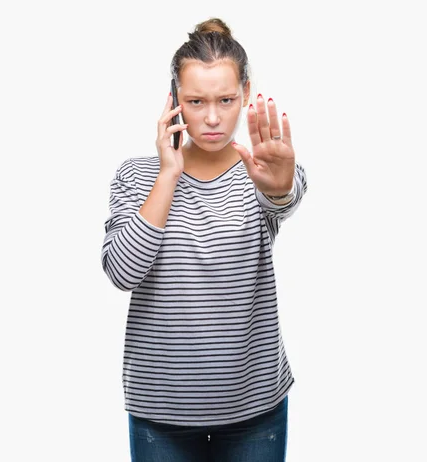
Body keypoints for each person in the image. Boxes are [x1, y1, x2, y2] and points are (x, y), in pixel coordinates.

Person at [101, 17, 308, 462]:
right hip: (160, 409)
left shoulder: (262, 172)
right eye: (196, 101)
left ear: (246, 95)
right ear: (173, 99)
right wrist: (169, 172)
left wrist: (278, 186)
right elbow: (122, 272)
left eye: (226, 100)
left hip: (255, 407)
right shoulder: (137, 176)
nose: (212, 117)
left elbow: (282, 200)